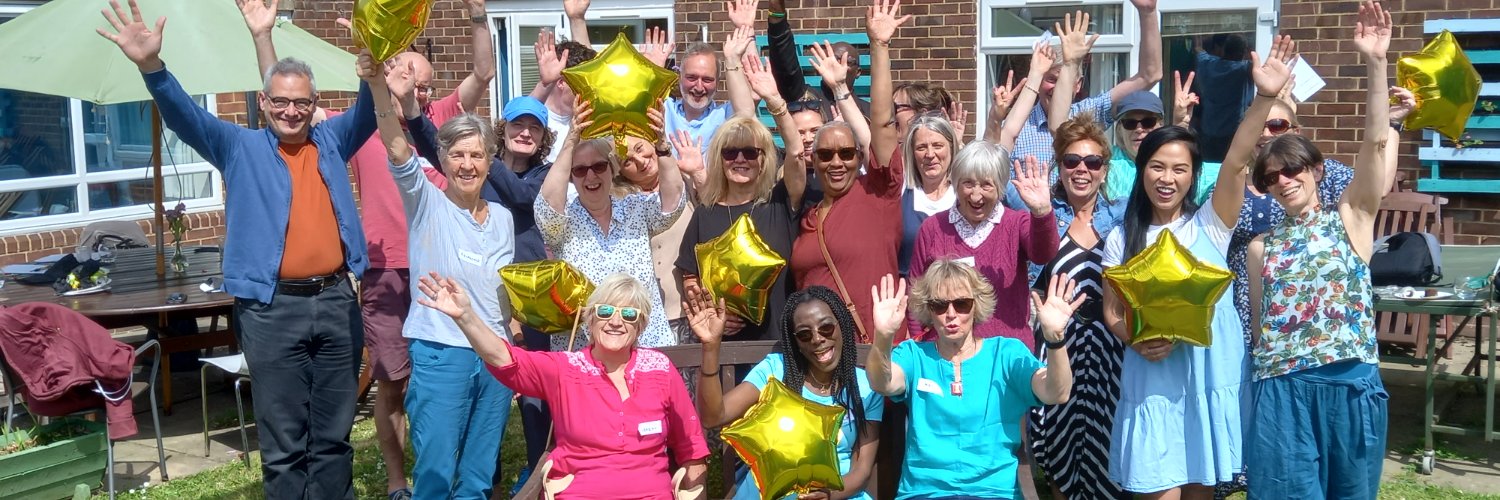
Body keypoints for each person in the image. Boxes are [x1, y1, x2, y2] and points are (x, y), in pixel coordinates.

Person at [99, 1, 375, 497]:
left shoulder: (332, 140)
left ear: (315, 105)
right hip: (272, 311)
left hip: (336, 304)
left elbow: (372, 111)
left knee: (334, 434)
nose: (292, 111)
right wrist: (151, 67)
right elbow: (185, 117)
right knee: (285, 440)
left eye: (302, 103)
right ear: (265, 104)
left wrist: (372, 61)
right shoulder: (238, 147)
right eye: (281, 102)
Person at [238, 2, 494, 495]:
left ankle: (451, 475)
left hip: (441, 272)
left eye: (424, 84)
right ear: (390, 72)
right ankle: (398, 481)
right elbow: (286, 109)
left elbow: (483, 71)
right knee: (393, 381)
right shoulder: (356, 127)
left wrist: (479, 17)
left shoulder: (438, 123)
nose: (415, 88)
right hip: (384, 270)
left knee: (449, 379)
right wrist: (263, 37)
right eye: (407, 76)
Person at [1100, 34, 1298, 498]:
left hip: (1209, 374)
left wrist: (1265, 96)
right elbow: (1112, 312)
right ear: (1142, 168)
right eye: (1157, 167)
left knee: (1199, 493)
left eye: (1180, 169)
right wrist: (1134, 339)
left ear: (1193, 176)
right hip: (1153, 377)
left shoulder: (1211, 223)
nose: (1167, 179)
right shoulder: (1120, 238)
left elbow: (1235, 161)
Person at [1244, 4, 1397, 497]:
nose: (1284, 180)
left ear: (1314, 169)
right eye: (1271, 177)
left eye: (1292, 169)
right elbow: (1259, 330)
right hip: (1282, 393)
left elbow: (1375, 143)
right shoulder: (1260, 248)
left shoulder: (1352, 218)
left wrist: (1376, 63)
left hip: (1349, 385)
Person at [413, 272, 710, 499]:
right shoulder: (565, 368)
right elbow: (506, 359)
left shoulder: (659, 368)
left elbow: (692, 446)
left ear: (640, 325)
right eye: (605, 312)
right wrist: (466, 317)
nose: (616, 321)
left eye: (629, 314)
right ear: (590, 321)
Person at [366, 57, 517, 499]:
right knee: (434, 471)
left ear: (491, 161)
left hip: (493, 355)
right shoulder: (426, 203)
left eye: (476, 154)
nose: (467, 164)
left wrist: (511, 345)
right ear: (443, 159)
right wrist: (382, 89)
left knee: (478, 471)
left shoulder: (504, 219)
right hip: (440, 353)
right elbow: (397, 150)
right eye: (457, 154)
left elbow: (501, 293)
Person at [865, 263, 1083, 499]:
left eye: (961, 304)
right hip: (925, 492)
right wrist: (883, 337)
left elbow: (1056, 392)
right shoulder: (914, 355)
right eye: (939, 305)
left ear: (976, 305)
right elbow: (882, 382)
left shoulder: (1006, 353)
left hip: (993, 492)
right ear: (928, 310)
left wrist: (1055, 340)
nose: (951, 314)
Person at [689, 286, 883, 500]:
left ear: (842, 326)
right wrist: (710, 346)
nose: (817, 339)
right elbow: (713, 416)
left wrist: (827, 495)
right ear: (796, 343)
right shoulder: (776, 370)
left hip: (834, 493)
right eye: (804, 334)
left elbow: (861, 470)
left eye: (826, 327)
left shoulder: (865, 387)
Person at [1026, 115, 1129, 499]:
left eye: (1092, 162)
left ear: (1105, 168)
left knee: (1109, 443)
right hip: (1059, 346)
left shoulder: (1122, 216)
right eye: (1071, 161)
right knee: (1058, 444)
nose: (1081, 170)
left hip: (1110, 348)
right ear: (1059, 165)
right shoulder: (1042, 215)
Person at [536, 99, 687, 350]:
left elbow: (673, 205)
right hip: (586, 352)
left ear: (612, 169)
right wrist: (570, 142)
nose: (591, 176)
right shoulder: (563, 224)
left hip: (645, 346)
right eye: (580, 170)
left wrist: (661, 146)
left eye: (599, 166)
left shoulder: (635, 208)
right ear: (570, 176)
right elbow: (546, 207)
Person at [677, 55, 806, 343]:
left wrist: (774, 101)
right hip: (722, 349)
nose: (739, 159)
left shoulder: (780, 203)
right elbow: (689, 274)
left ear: (764, 158)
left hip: (778, 345)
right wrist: (708, 308)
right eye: (730, 153)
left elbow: (797, 154)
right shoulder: (705, 212)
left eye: (750, 152)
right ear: (719, 158)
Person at [1008, 0, 1162, 209]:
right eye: (1052, 79)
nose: (1056, 87)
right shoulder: (1017, 127)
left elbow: (1149, 74)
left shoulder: (1088, 114)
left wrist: (1148, 13)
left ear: (1078, 85)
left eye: (1066, 80)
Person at [907, 142, 1057, 349]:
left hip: (1006, 354)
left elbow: (1043, 254)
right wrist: (919, 347)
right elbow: (916, 295)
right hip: (946, 354)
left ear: (1001, 188)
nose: (976, 195)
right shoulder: (932, 228)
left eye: (986, 185)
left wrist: (1042, 213)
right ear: (955, 184)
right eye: (968, 184)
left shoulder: (1016, 223)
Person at [1105, 81, 1219, 205]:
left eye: (1148, 122)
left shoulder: (1182, 167)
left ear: (1161, 125)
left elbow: (1228, 172)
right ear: (1120, 130)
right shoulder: (1105, 162)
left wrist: (1180, 126)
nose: (1139, 129)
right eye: (1130, 123)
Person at [757, 0, 872, 119]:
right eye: (833, 59)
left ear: (858, 72)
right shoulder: (807, 100)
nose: (838, 65)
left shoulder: (869, 112)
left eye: (847, 61)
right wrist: (777, 14)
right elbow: (786, 66)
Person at [898, 114, 959, 277]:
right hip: (910, 297)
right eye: (921, 147)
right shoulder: (901, 190)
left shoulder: (965, 194)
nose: (930, 154)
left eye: (938, 145)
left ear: (952, 148)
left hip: (957, 299)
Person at [1194, 34, 1253, 163]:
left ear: (1224, 49)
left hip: (1208, 131)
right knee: (1230, 169)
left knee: (1208, 168)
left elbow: (1199, 51)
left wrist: (1197, 37)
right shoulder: (1244, 68)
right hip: (1232, 133)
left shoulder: (1208, 63)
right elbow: (1259, 67)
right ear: (1243, 52)